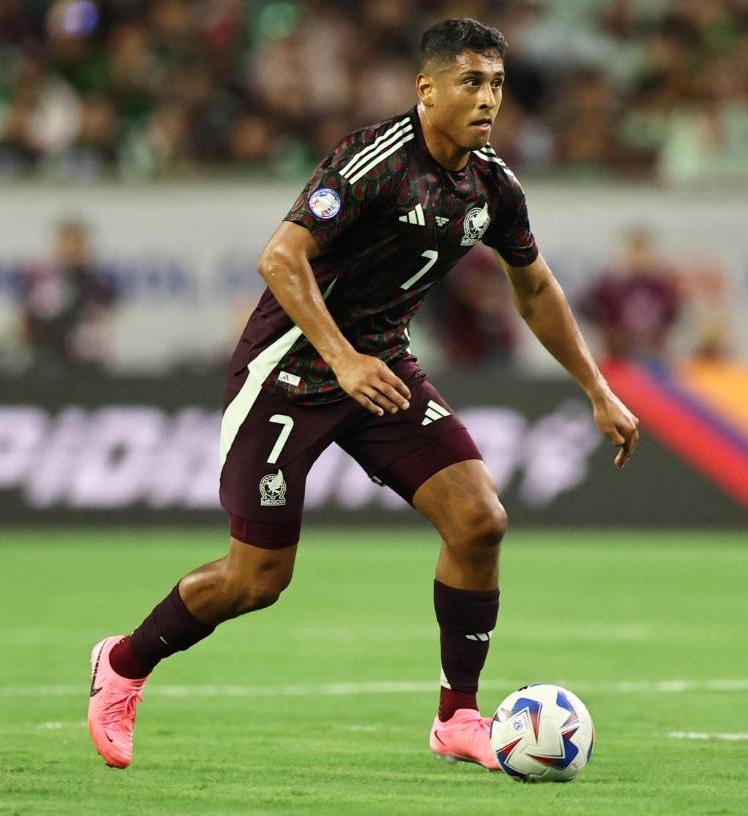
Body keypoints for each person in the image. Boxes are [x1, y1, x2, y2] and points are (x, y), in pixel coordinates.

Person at [86, 18, 640, 772]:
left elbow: (535, 286)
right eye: (471, 82)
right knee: (257, 581)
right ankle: (122, 665)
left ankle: (459, 718)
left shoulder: (493, 185)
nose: (487, 100)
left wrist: (597, 389)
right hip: (288, 374)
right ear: (428, 88)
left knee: (479, 520)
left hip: (377, 370)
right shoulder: (375, 160)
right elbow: (279, 258)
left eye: (498, 84)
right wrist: (341, 358)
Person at [18, 218, 117, 374]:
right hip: (56, 365)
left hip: (91, 364)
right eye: (68, 243)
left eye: (78, 243)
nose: (73, 250)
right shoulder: (47, 283)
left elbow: (105, 311)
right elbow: (36, 325)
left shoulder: (96, 283)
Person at [581, 226, 682, 363]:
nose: (639, 256)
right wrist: (607, 332)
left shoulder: (662, 288)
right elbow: (586, 308)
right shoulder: (610, 286)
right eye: (634, 250)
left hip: (653, 355)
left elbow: (674, 314)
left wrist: (661, 336)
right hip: (618, 357)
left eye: (642, 250)